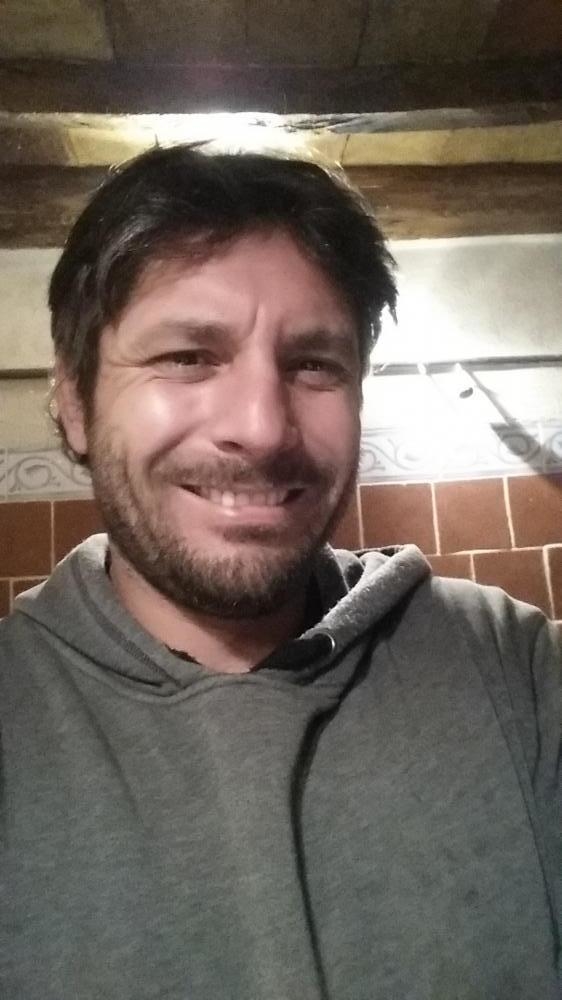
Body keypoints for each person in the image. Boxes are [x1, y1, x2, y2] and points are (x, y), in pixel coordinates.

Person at [0, 145, 559, 1000]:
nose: (263, 429)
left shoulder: (514, 670)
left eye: (314, 365)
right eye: (188, 356)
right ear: (74, 402)